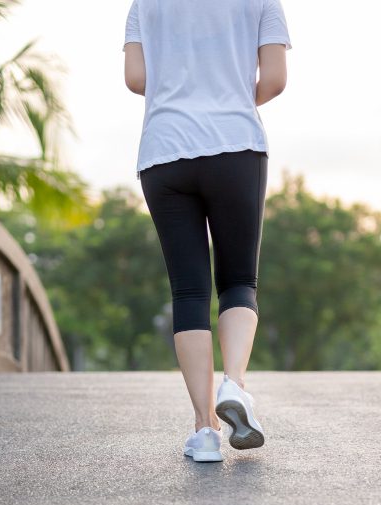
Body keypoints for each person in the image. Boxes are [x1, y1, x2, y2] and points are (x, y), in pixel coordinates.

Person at [123, 0, 292, 462]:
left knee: (189, 293)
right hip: (235, 145)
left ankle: (204, 432)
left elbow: (136, 79)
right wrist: (230, 98)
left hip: (164, 151)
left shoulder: (145, 4)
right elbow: (274, 79)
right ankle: (234, 384)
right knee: (238, 282)